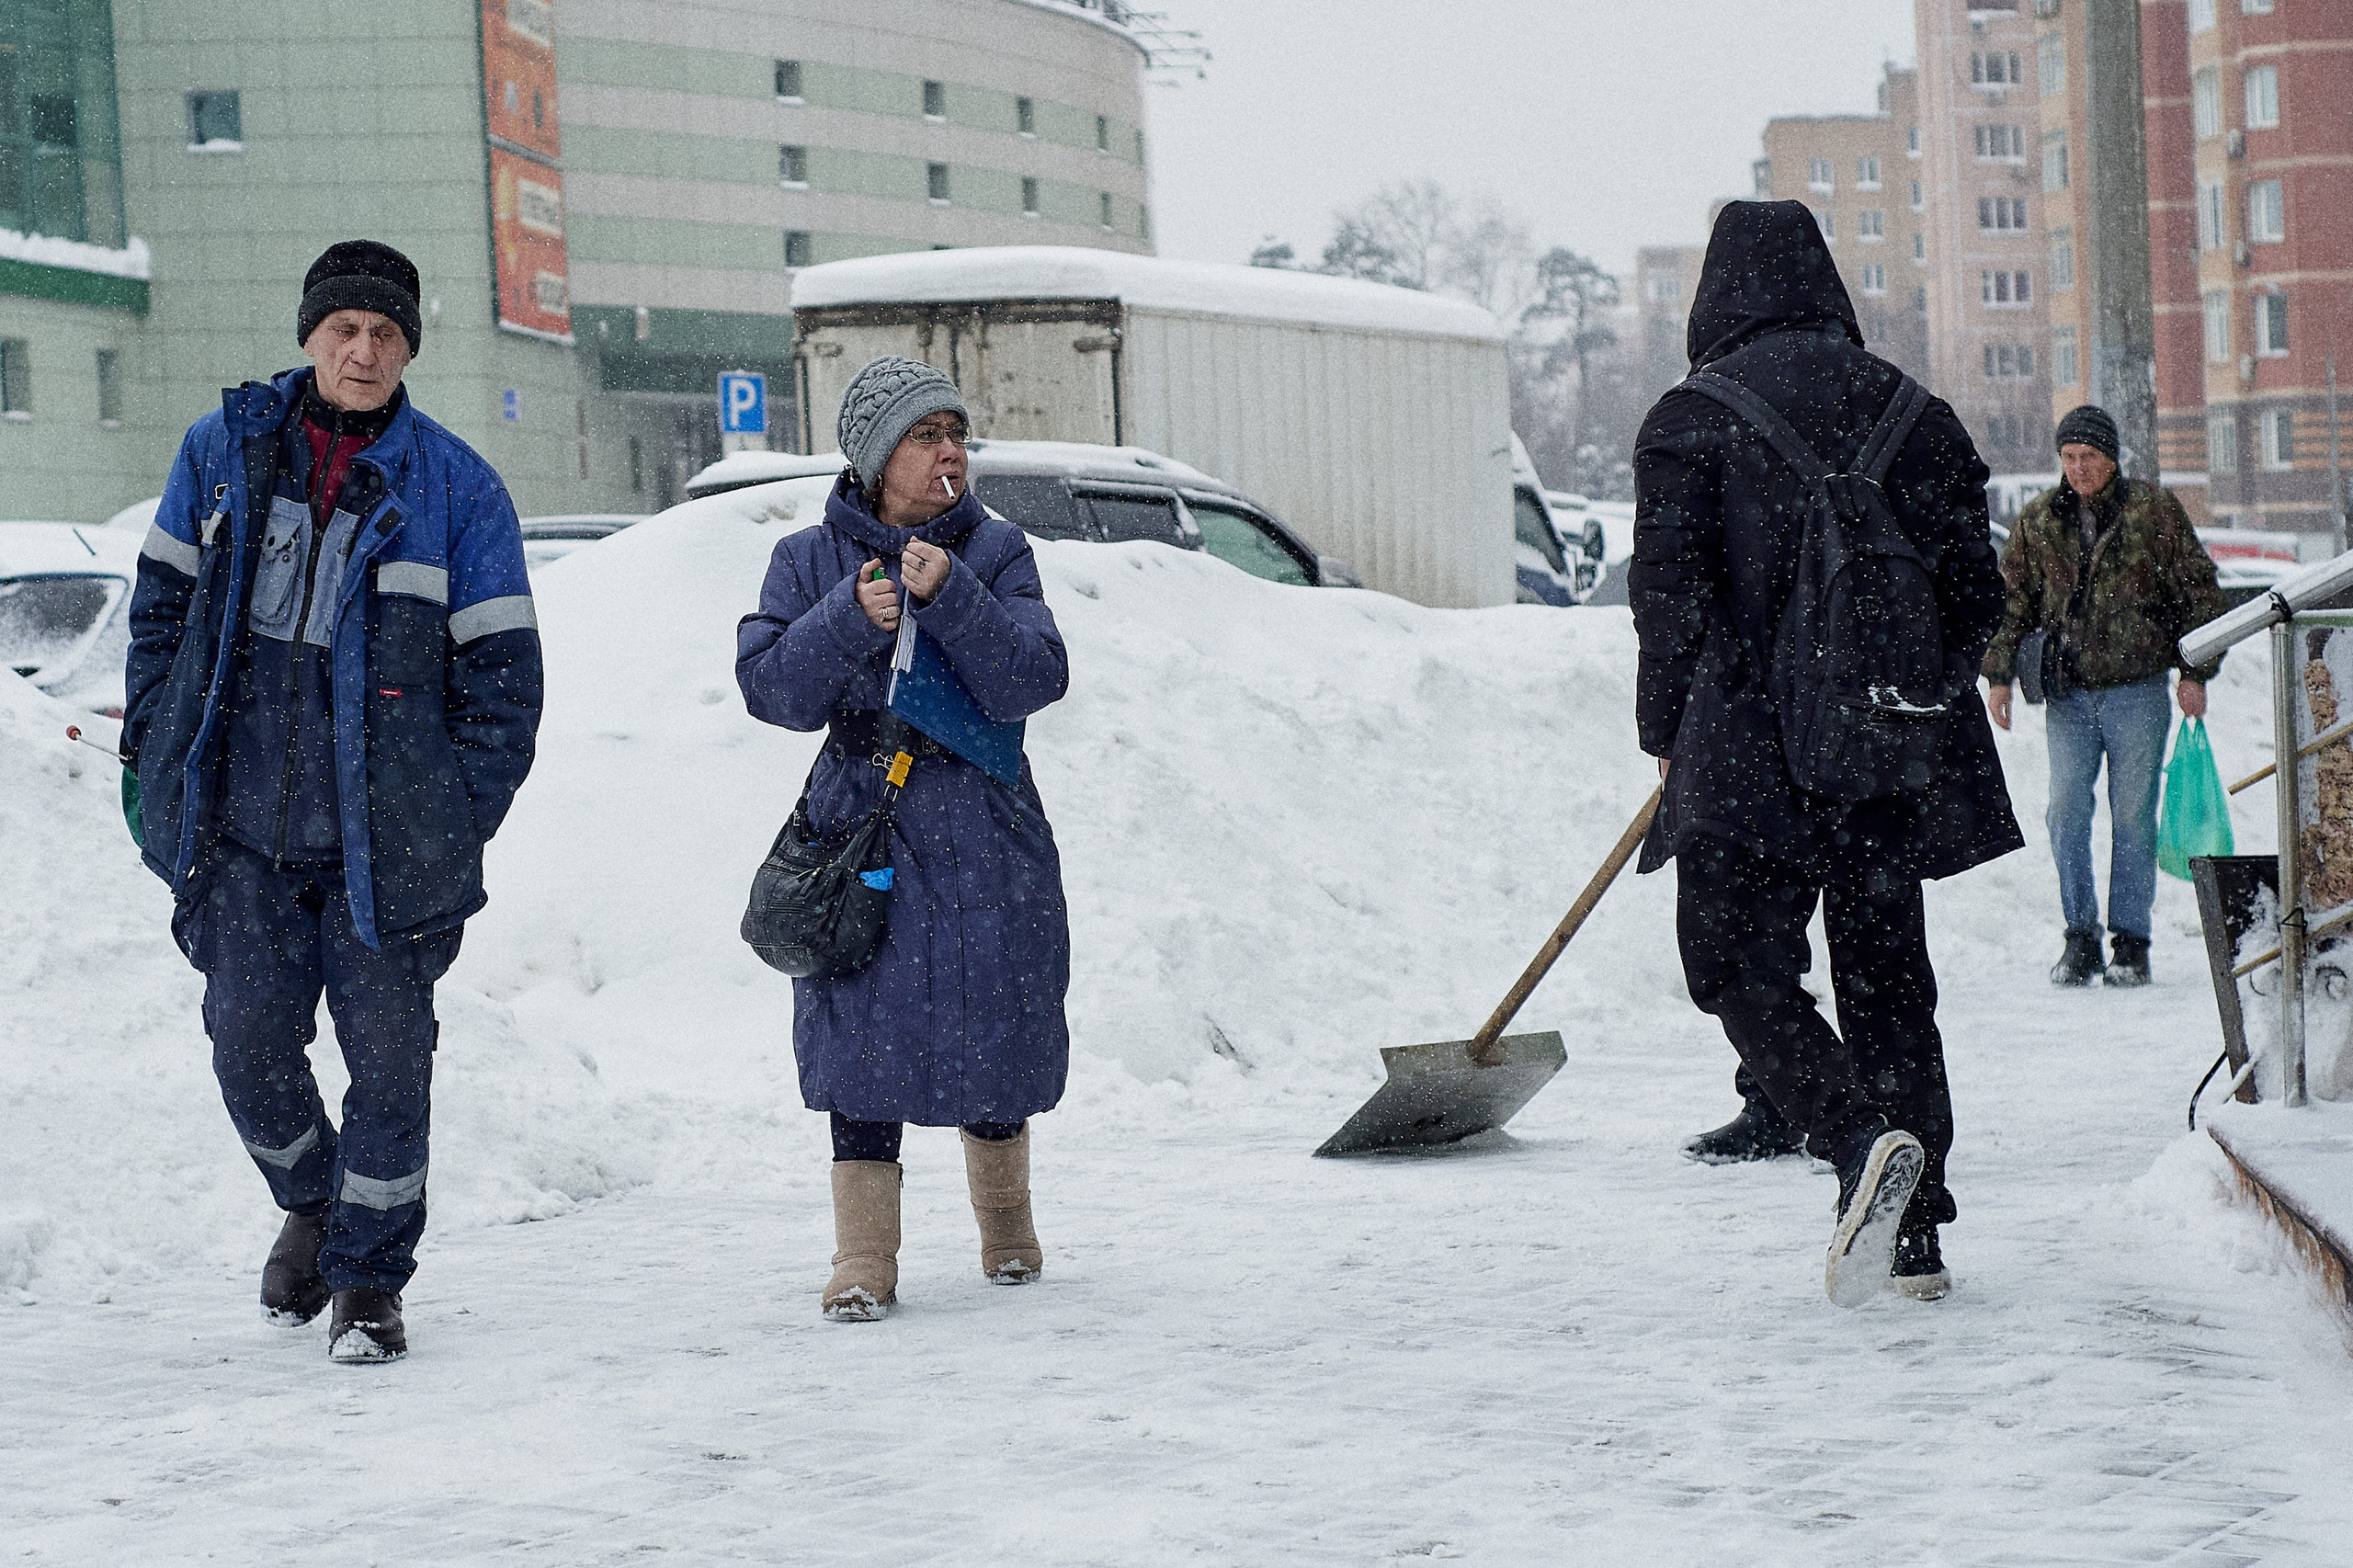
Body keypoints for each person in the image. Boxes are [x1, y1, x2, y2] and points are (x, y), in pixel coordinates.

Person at [123, 240, 542, 1362]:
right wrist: (162, 755)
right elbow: (158, 617)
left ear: (408, 349)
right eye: (344, 330)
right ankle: (312, 1200)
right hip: (245, 832)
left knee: (392, 1068)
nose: (363, 351)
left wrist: (448, 816)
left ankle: (368, 1278)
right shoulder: (221, 454)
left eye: (386, 334)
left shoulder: (456, 489)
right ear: (311, 334)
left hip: (385, 848)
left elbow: (504, 687)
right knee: (246, 1049)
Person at [1630, 201, 2023, 1304]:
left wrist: (1666, 734)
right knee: (1890, 976)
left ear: (1718, 293)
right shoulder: (1918, 412)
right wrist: (1901, 690)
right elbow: (1975, 591)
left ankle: (1856, 1141)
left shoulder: (1689, 419)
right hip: (1887, 753)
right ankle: (1918, 1224)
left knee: (1732, 960)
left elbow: (1667, 602)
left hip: (1748, 748)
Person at [735, 355, 1072, 1322]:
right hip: (859, 817)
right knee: (860, 1026)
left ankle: (1007, 1230)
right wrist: (848, 615)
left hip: (984, 819)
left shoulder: (998, 550)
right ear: (878, 453)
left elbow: (1032, 679)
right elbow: (772, 691)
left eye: (955, 433)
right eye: (927, 434)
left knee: (995, 1010)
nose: (949, 451)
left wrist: (956, 595)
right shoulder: (807, 560)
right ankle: (861, 1257)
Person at [1982, 405, 2229, 987]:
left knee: (2133, 817)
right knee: (2065, 813)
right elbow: (2013, 601)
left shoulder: (2154, 513)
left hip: (2137, 690)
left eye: (2088, 457)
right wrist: (1998, 676)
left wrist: (2196, 671)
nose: (2078, 469)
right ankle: (2079, 935)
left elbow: (2199, 594)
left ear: (2111, 457)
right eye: (2068, 458)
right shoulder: (2039, 520)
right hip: (2067, 694)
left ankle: (2131, 942)